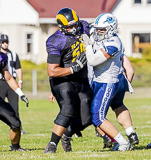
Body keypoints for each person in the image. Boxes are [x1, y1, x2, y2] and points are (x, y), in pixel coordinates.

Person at [81, 13, 139, 151]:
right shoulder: (96, 31)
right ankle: (130, 133)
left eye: (102, 29)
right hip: (107, 79)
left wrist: (88, 46)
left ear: (111, 28)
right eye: (97, 28)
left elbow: (93, 60)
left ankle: (123, 143)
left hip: (107, 82)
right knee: (117, 104)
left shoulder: (113, 43)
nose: (98, 31)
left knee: (97, 117)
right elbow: (84, 28)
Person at [44, 8, 93, 154]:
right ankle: (52, 144)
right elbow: (52, 71)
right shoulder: (55, 41)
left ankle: (67, 134)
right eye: (69, 26)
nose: (74, 28)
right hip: (62, 79)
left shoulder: (84, 26)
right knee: (68, 108)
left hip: (81, 79)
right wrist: (73, 68)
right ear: (61, 26)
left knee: (88, 117)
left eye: (75, 25)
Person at [0, 34, 27, 135]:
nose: (5, 44)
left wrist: (20, 81)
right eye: (3, 42)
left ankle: (18, 128)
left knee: (15, 107)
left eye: (6, 42)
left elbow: (18, 69)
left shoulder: (13, 54)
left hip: (11, 82)